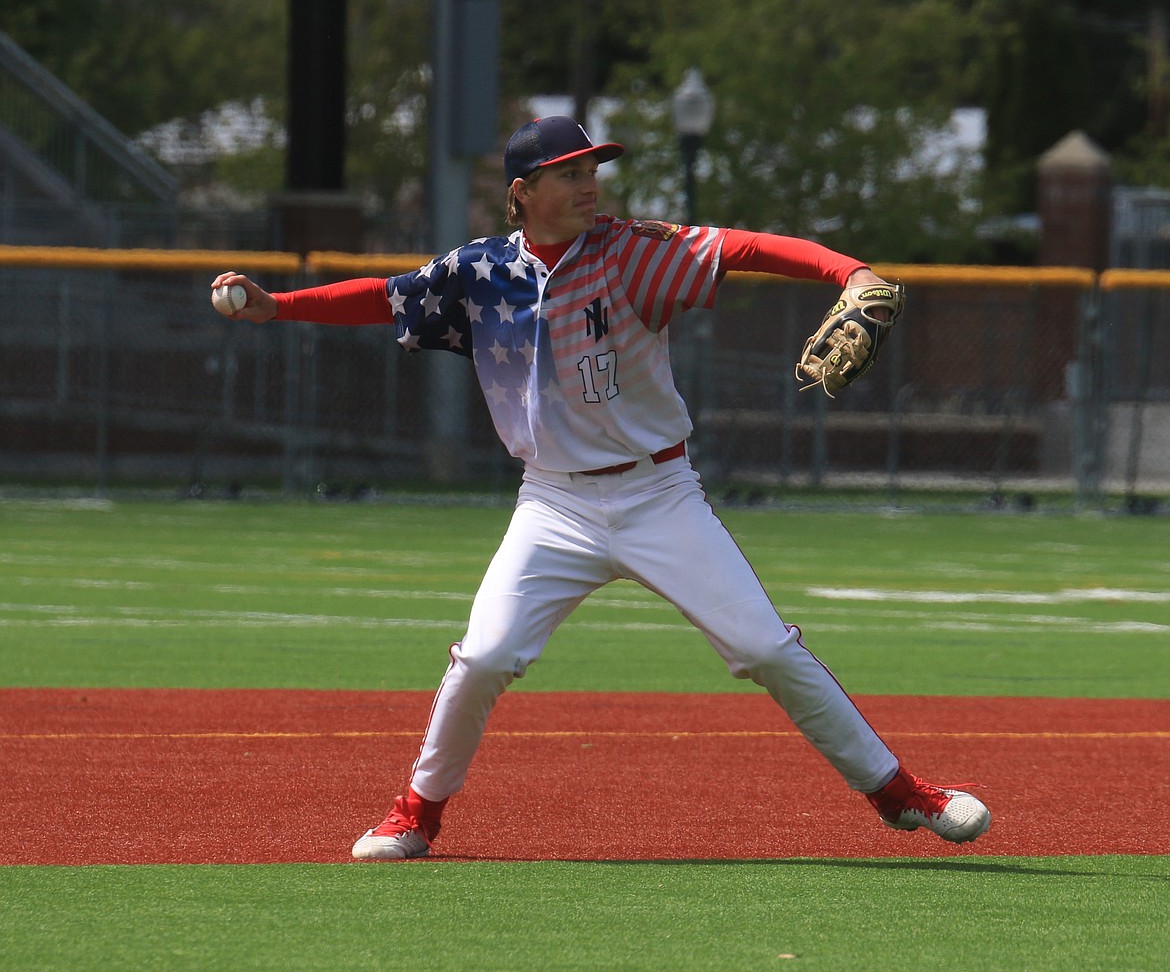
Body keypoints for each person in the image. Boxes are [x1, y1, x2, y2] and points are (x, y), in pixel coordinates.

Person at [212, 114, 991, 860]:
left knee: (765, 647)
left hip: (660, 494)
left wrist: (846, 272)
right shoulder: (481, 272)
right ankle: (415, 816)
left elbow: (747, 246)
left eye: (593, 170)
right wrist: (275, 307)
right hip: (553, 503)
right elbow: (387, 296)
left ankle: (898, 792)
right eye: (571, 174)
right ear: (522, 191)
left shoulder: (634, 253)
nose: (591, 186)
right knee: (483, 658)